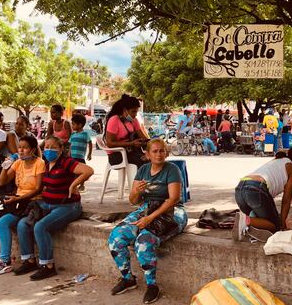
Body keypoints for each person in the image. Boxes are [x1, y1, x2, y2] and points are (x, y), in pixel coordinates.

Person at [108, 139, 188, 304]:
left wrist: (149, 219)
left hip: (171, 211)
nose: (159, 154)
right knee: (115, 238)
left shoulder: (172, 170)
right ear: (147, 154)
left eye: (162, 151)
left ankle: (152, 286)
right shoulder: (143, 170)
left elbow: (173, 199)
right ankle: (128, 278)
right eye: (155, 151)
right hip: (146, 208)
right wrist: (136, 191)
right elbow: (133, 201)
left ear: (166, 153)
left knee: (143, 242)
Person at [14, 135, 93, 280]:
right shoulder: (45, 163)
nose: (49, 150)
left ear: (61, 149)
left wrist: (73, 184)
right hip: (47, 204)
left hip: (68, 206)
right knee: (23, 224)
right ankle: (29, 261)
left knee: (40, 227)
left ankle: (48, 266)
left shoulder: (66, 162)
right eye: (46, 147)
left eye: (53, 147)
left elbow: (88, 171)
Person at [0, 135, 45, 276]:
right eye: (20, 147)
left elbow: (37, 189)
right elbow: (2, 182)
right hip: (16, 200)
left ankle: (4, 261)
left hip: (30, 202)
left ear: (33, 149)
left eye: (25, 148)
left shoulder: (39, 163)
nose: (21, 151)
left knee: (3, 222)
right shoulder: (18, 163)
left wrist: (16, 199)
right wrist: (5, 168)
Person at [233, 145, 292, 242]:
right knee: (274, 225)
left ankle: (248, 221)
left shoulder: (279, 160)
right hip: (255, 190)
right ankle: (244, 220)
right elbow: (286, 200)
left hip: (240, 189)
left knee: (262, 218)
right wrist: (282, 224)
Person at [105, 94, 149, 168]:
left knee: (152, 159)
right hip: (116, 154)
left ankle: (149, 179)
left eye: (136, 112)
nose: (135, 115)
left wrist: (151, 147)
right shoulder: (114, 120)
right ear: (125, 110)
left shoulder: (134, 121)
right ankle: (138, 179)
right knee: (143, 162)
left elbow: (143, 138)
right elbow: (109, 144)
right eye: (133, 111)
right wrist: (132, 144)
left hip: (131, 152)